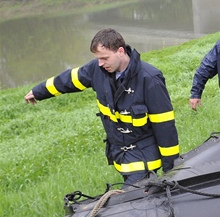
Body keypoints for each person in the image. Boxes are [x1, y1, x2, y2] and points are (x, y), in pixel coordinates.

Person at [24, 28, 180, 187]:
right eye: (98, 59)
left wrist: (171, 170)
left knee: (128, 202)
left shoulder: (149, 79)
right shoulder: (97, 70)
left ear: (120, 51)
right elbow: (69, 80)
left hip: (144, 158)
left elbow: (165, 126)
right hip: (121, 155)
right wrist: (38, 92)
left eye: (104, 58)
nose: (100, 63)